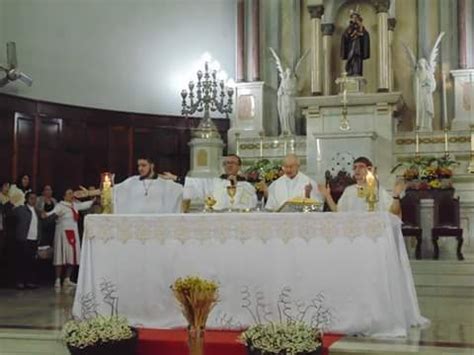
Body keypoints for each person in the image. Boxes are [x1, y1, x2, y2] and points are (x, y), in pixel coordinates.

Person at [164, 154, 257, 211]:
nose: (229, 165)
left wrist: (235, 184)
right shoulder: (215, 183)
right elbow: (196, 184)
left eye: (232, 163)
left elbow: (251, 203)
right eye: (226, 163)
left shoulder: (247, 186)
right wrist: (176, 178)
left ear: (239, 166)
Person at [45, 188, 95, 289]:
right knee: (60, 256)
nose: (72, 195)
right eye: (69, 193)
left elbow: (85, 205)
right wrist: (45, 214)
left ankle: (67, 279)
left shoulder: (75, 205)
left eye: (72, 193)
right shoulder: (60, 206)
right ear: (64, 196)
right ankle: (58, 279)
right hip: (62, 234)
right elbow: (51, 214)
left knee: (72, 256)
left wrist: (93, 199)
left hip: (73, 233)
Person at [321, 157, 404, 215]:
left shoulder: (377, 189)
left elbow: (394, 212)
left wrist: (396, 196)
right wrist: (327, 195)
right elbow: (338, 211)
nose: (357, 170)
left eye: (361, 167)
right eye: (355, 167)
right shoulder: (349, 190)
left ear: (369, 170)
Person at [113, 157, 183, 214]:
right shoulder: (131, 182)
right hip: (136, 222)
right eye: (139, 166)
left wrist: (175, 178)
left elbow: (181, 190)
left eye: (143, 165)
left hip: (158, 223)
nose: (140, 168)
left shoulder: (165, 183)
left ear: (152, 166)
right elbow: (115, 191)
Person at [12, 191, 42, 289]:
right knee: (22, 261)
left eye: (35, 198)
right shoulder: (21, 209)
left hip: (34, 239)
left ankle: (29, 281)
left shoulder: (37, 211)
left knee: (31, 262)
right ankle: (20, 281)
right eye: (31, 198)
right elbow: (12, 212)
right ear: (27, 199)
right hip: (24, 239)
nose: (34, 200)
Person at [341, 10, 370, 77]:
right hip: (351, 47)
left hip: (358, 48)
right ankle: (350, 71)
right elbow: (345, 36)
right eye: (353, 17)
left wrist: (360, 33)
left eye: (356, 17)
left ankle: (357, 72)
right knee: (351, 59)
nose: (354, 19)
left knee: (357, 60)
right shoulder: (349, 27)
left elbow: (365, 35)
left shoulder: (361, 26)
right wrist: (351, 35)